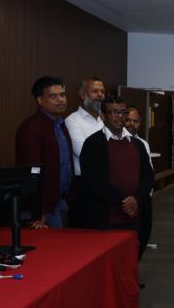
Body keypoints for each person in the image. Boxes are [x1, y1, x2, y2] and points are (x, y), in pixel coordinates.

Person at [78, 96, 154, 252]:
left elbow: (148, 175)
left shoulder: (137, 144)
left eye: (123, 112)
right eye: (113, 112)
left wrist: (137, 199)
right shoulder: (93, 143)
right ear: (103, 116)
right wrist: (123, 201)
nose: (119, 116)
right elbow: (92, 181)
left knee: (131, 259)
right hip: (105, 219)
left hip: (134, 216)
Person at [15, 76, 73, 229]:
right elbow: (29, 172)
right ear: (40, 100)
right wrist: (36, 210)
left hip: (61, 201)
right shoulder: (31, 128)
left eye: (62, 95)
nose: (61, 100)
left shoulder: (61, 124)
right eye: (53, 96)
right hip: (45, 208)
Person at [65, 76, 105, 226]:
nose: (100, 95)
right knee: (85, 231)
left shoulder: (106, 121)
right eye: (95, 91)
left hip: (106, 183)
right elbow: (83, 152)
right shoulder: (73, 121)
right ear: (82, 95)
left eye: (102, 91)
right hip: (84, 186)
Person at [125, 107, 153, 261]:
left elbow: (148, 172)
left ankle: (133, 268)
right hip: (128, 199)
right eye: (128, 120)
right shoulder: (116, 142)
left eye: (135, 121)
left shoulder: (143, 143)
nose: (131, 124)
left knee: (144, 235)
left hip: (144, 198)